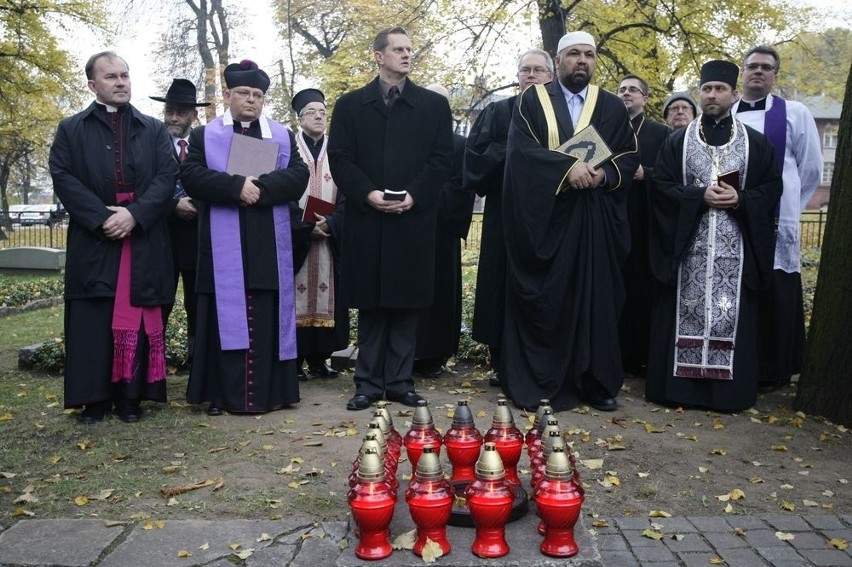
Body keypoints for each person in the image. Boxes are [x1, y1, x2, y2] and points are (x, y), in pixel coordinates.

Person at [501, 31, 639, 412]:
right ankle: (542, 379)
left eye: (589, 55)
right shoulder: (532, 100)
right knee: (549, 298)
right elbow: (522, 155)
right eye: (574, 54)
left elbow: (627, 155)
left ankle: (595, 382)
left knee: (597, 298)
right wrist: (567, 168)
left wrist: (603, 174)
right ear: (558, 61)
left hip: (595, 219)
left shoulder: (611, 106)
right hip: (546, 220)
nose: (582, 61)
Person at [327, 26, 454, 411]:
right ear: (378, 56)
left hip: (413, 220)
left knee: (406, 302)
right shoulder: (350, 105)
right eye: (398, 49)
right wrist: (368, 194)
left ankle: (400, 381)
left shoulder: (432, 105)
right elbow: (341, 158)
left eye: (410, 49)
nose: (406, 55)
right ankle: (366, 383)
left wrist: (413, 196)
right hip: (367, 218)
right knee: (371, 303)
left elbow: (441, 160)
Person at [645, 60, 782, 412]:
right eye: (706, 89)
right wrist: (696, 196)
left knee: (732, 313)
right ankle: (681, 391)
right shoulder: (679, 140)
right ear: (700, 94)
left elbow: (771, 187)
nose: (712, 94)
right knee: (683, 306)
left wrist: (741, 199)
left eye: (720, 89)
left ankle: (727, 394)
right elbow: (659, 187)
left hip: (735, 249)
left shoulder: (755, 143)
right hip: (688, 248)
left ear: (733, 94)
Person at [48, 51, 178, 424]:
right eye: (110, 77)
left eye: (124, 74)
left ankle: (131, 398)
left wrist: (135, 215)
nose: (121, 82)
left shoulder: (153, 128)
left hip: (143, 237)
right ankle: (94, 399)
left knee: (138, 318)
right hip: (96, 239)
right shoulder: (71, 128)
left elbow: (166, 178)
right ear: (92, 84)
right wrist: (102, 218)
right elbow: (63, 177)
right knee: (93, 318)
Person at [180, 59, 310, 415]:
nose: (251, 100)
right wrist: (237, 187)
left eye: (257, 94)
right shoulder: (205, 135)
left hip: (266, 241)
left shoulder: (281, 135)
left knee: (266, 313)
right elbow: (191, 175)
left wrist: (261, 189)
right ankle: (219, 394)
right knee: (220, 316)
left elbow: (299, 175)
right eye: (243, 93)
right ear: (227, 95)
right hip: (222, 245)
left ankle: (274, 392)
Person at [731, 45, 823, 390]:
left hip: (777, 217)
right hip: (734, 215)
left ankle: (774, 368)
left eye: (766, 67)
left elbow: (810, 167)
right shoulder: (728, 113)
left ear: (775, 75)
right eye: (752, 66)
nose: (758, 72)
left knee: (776, 291)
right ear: (742, 73)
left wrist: (789, 210)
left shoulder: (794, 112)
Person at [463, 49, 553, 387]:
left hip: (550, 216)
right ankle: (502, 360)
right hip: (505, 212)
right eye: (525, 70)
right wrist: (513, 151)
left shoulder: (564, 113)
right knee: (502, 284)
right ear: (518, 75)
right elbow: (475, 159)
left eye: (539, 70)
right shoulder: (498, 111)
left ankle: (545, 361)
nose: (531, 75)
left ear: (551, 76)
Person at [412, 83, 474, 379]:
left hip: (440, 230)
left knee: (439, 292)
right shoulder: (406, 138)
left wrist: (425, 197)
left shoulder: (459, 144)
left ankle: (433, 354)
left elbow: (463, 185)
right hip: (408, 227)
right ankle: (405, 352)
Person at [149, 79, 210, 372]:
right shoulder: (151, 143)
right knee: (161, 302)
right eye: (170, 111)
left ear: (193, 116)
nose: (174, 117)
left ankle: (197, 361)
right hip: (162, 237)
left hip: (200, 238)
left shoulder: (207, 143)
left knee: (198, 304)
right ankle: (154, 364)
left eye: (181, 112)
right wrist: (173, 205)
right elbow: (142, 186)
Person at [290, 88, 348, 380]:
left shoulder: (337, 151)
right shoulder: (288, 148)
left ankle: (319, 359)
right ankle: (295, 360)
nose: (318, 116)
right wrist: (303, 227)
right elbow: (280, 191)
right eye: (311, 111)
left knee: (329, 294)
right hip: (296, 238)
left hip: (329, 239)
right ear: (299, 118)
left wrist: (333, 222)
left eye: (323, 112)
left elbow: (350, 191)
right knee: (293, 294)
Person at [617, 74, 670, 377]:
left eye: (633, 90)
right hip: (611, 216)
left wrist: (646, 174)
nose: (626, 94)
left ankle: (639, 355)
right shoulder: (606, 127)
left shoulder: (660, 133)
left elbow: (669, 174)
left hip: (644, 220)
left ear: (645, 99)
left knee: (639, 288)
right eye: (622, 90)